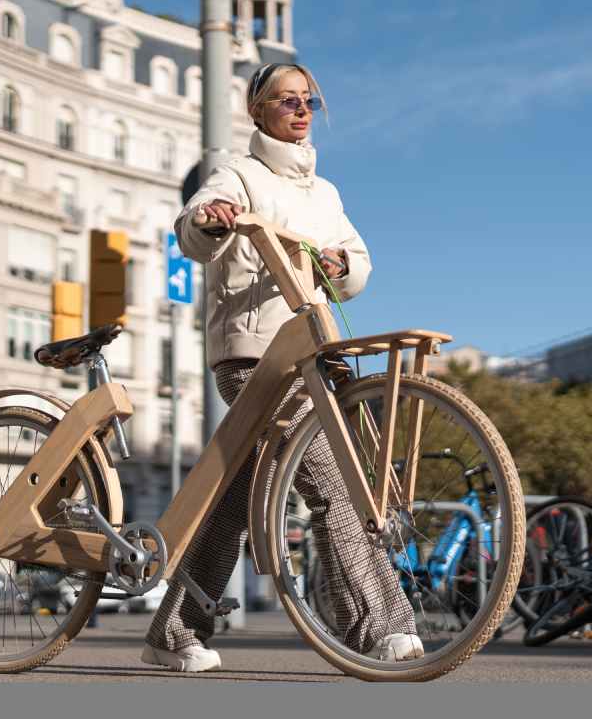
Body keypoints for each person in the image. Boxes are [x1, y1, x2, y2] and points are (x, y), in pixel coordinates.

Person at [141, 63, 421, 673]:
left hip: (310, 351)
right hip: (252, 354)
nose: (300, 110)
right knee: (333, 481)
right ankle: (376, 627)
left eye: (308, 101)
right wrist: (211, 219)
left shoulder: (326, 195)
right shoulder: (237, 175)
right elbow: (195, 227)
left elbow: (360, 267)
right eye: (286, 100)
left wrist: (338, 259)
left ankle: (172, 631)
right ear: (257, 110)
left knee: (234, 500)